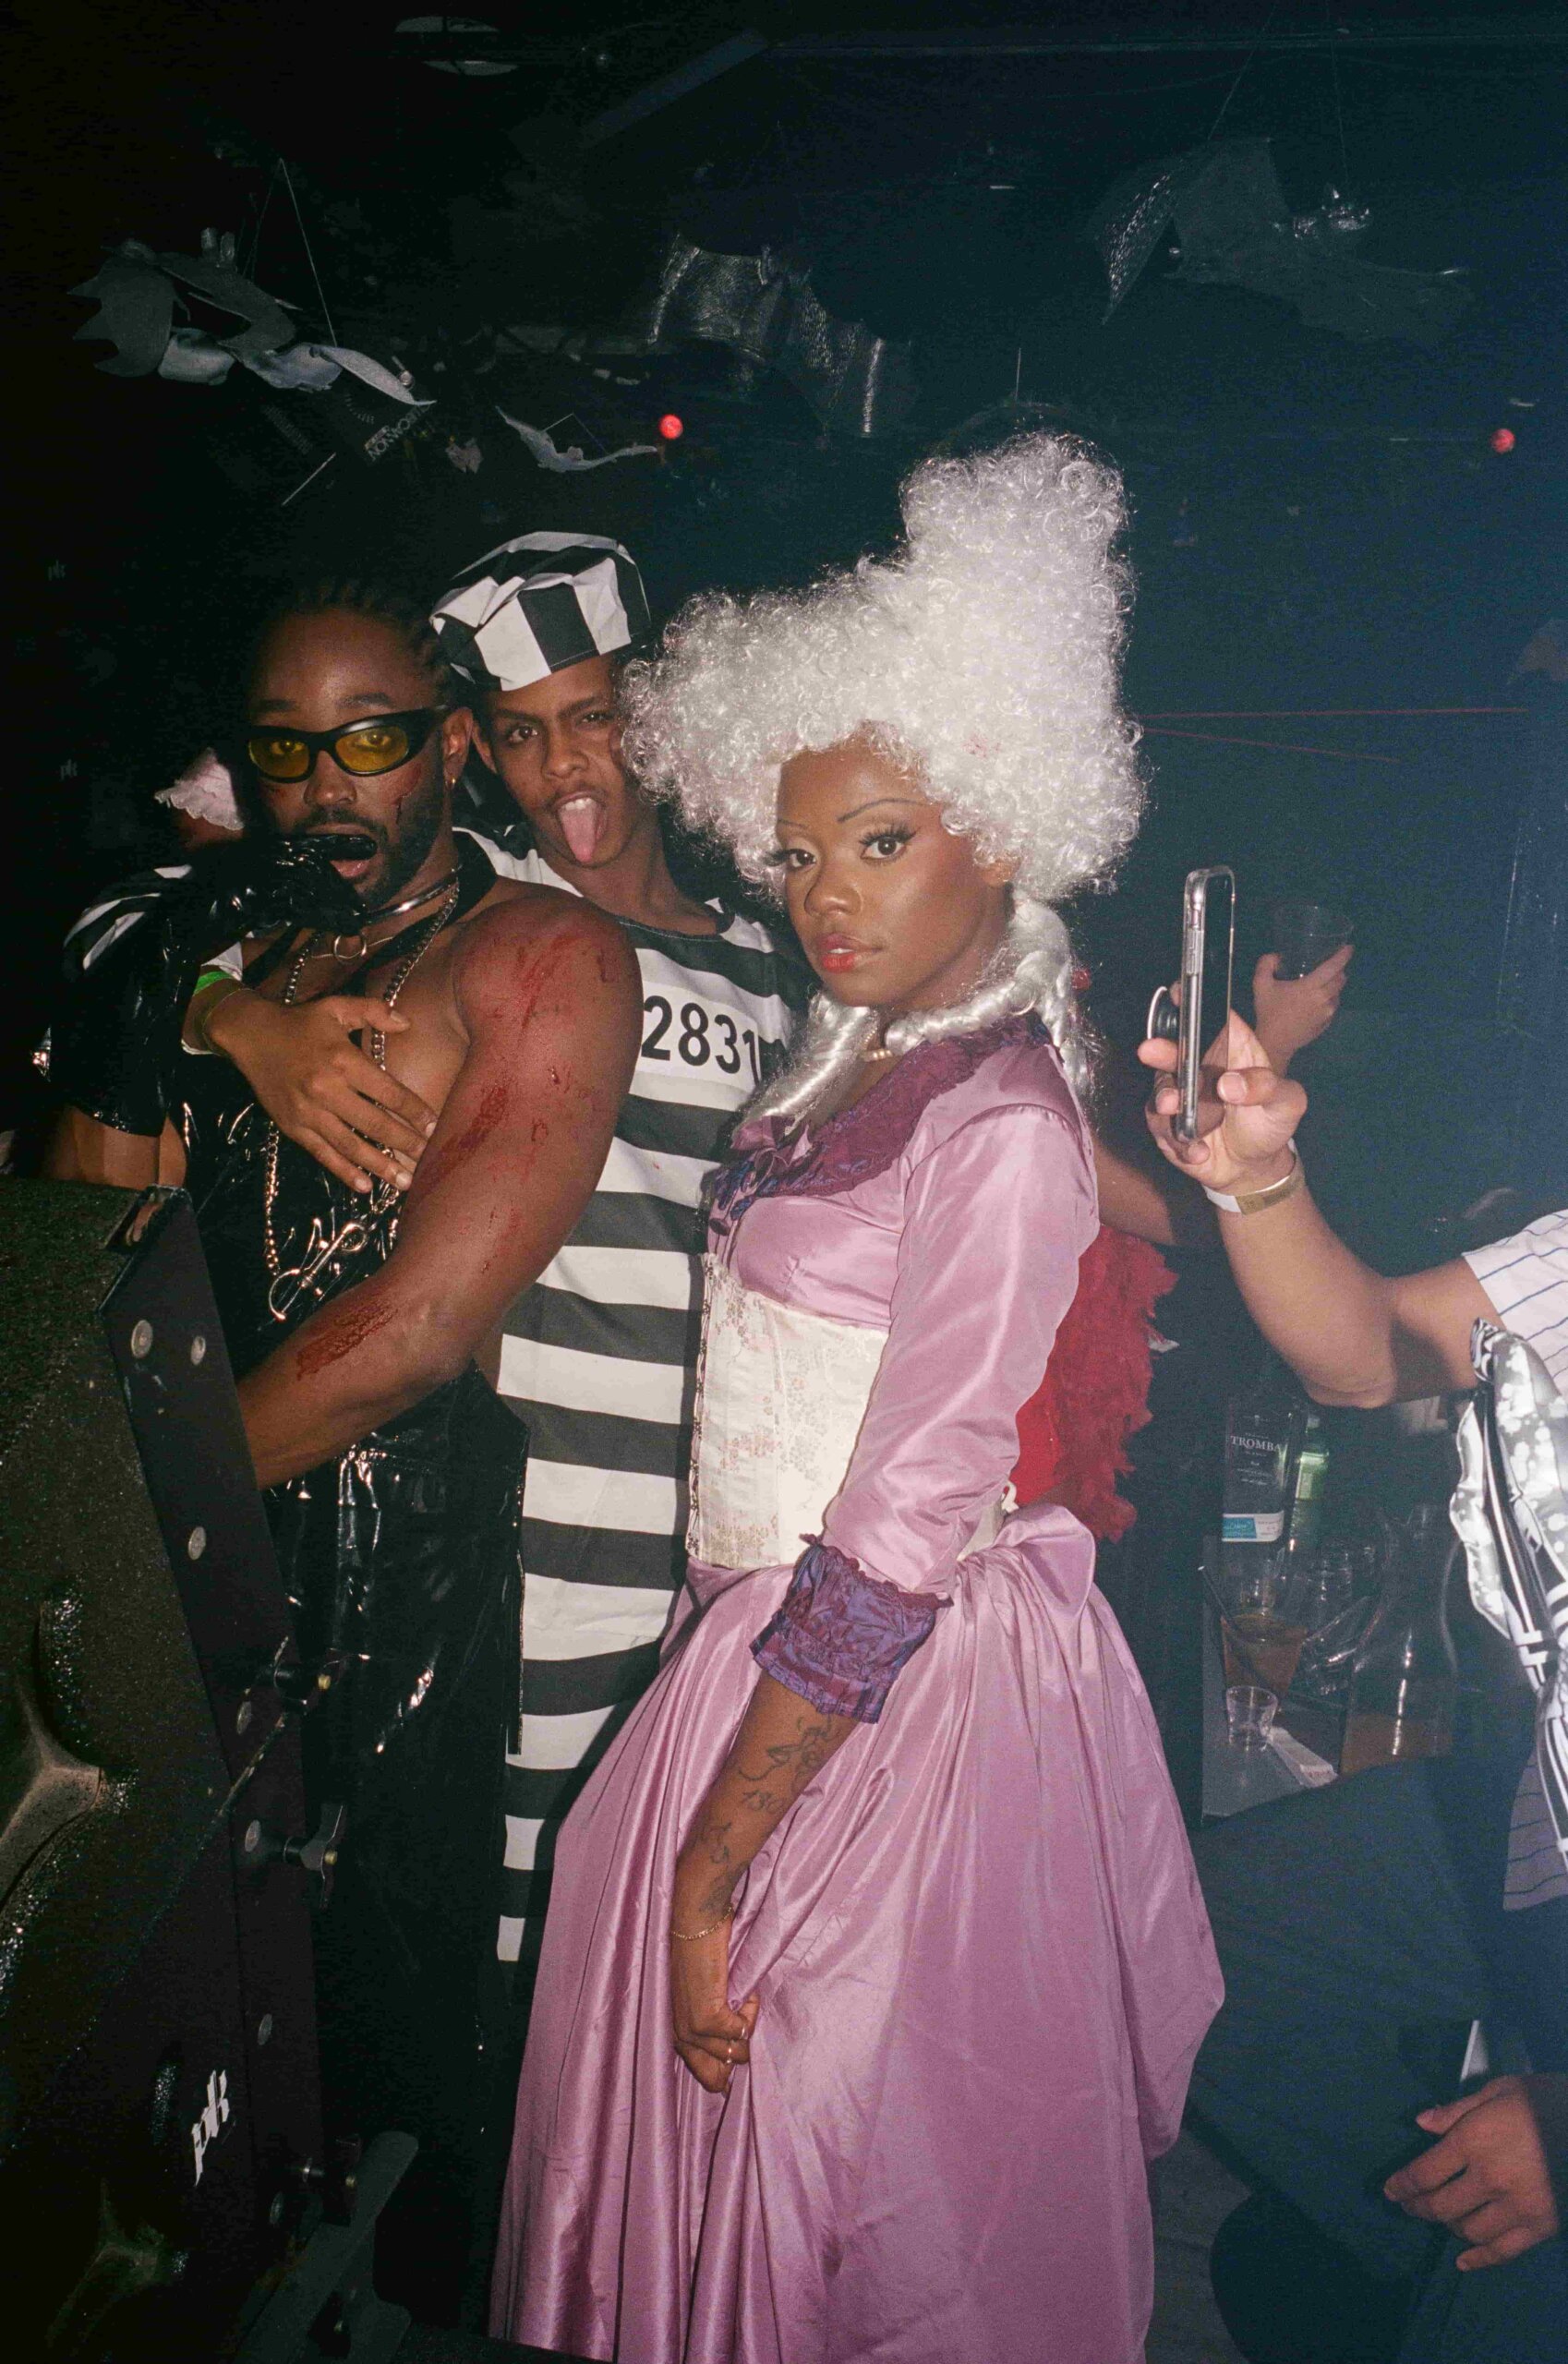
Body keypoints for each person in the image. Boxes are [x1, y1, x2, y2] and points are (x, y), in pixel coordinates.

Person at [489, 434, 1221, 2364]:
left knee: (842, 2176)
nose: (826, 894)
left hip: (894, 1699)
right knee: (748, 2180)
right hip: (760, 1641)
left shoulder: (997, 1124)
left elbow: (899, 1527)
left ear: (999, 821)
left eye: (882, 841)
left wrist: (722, 1856)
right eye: (800, 850)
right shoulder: (854, 1061)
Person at [44, 578, 643, 2322]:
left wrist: (137, 1523)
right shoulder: (236, 961)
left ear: (450, 745)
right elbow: (90, 1242)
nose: (327, 787)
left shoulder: (538, 955)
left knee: (354, 2075)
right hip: (170, 1548)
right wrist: (206, 1006)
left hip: (375, 1571)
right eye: (288, 749)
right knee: (145, 2053)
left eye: (373, 739)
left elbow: (411, 1337)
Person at [163, 533, 807, 1981]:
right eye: (519, 733)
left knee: (621, 1922)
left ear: (663, 718)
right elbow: (145, 910)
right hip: (500, 1495)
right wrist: (233, 1016)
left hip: (697, 1517)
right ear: (468, 753)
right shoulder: (477, 905)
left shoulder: (780, 959)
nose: (563, 766)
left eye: (596, 718)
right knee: (482, 1920)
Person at [1139, 1002, 1568, 2361]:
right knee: (1185, 1942)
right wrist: (1257, 1181)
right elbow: (1368, 1353)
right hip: (1532, 1835)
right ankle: (1411, 2237)